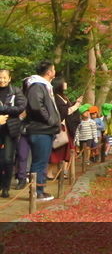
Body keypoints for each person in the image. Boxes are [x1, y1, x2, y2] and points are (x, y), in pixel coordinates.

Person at [23, 61, 60, 201]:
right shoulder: (37, 86)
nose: (55, 72)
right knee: (39, 162)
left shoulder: (44, 86)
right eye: (54, 69)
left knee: (42, 161)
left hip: (44, 130)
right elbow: (36, 106)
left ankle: (39, 189)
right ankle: (37, 192)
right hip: (40, 130)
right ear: (49, 72)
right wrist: (50, 120)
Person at [0, 68, 27, 198]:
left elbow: (21, 107)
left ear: (9, 78)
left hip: (10, 130)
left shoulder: (16, 91)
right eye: (0, 77)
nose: (2, 80)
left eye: (4, 77)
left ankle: (5, 187)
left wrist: (4, 109)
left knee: (8, 159)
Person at [49, 78, 81, 178]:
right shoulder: (56, 98)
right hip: (60, 128)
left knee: (64, 151)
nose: (66, 83)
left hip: (66, 127)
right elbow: (64, 112)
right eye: (64, 82)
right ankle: (50, 173)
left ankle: (61, 171)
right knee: (58, 151)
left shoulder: (62, 97)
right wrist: (76, 105)